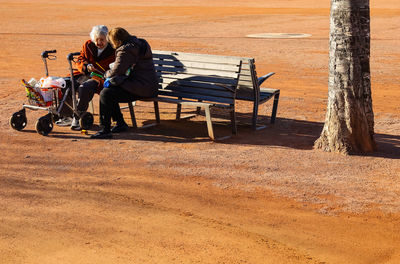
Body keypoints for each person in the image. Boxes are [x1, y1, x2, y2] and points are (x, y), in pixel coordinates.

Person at [91, 27, 159, 139]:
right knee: (110, 91)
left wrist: (105, 74)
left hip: (142, 87)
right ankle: (120, 123)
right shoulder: (137, 43)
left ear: (116, 41)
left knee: (106, 93)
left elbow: (117, 70)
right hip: (146, 85)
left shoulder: (126, 50)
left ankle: (105, 129)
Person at [56, 25, 115, 130]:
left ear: (107, 39)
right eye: (96, 40)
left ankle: (78, 117)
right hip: (84, 74)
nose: (99, 43)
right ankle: (66, 115)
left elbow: (112, 67)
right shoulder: (88, 44)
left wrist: (99, 71)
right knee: (65, 83)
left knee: (84, 88)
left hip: (99, 77)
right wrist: (86, 66)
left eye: (102, 40)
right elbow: (80, 59)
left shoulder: (112, 50)